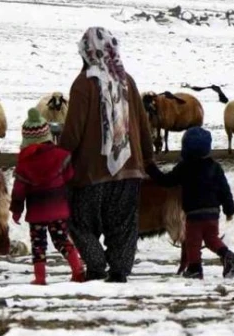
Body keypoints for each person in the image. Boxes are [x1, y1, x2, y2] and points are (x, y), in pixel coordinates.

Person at [59, 26, 155, 282]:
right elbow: (142, 124)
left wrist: (60, 158)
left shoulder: (83, 84)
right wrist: (148, 158)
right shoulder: (127, 81)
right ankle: (120, 271)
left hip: (91, 173)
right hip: (129, 169)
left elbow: (73, 131)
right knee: (123, 224)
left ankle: (96, 264)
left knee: (79, 221)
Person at [146, 126, 234, 279]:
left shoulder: (185, 167)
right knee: (211, 239)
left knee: (192, 242)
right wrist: (229, 210)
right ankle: (226, 254)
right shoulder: (215, 167)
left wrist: (151, 168)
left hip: (194, 214)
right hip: (212, 213)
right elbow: (225, 190)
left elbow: (167, 181)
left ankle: (195, 268)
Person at [10, 108, 85, 285]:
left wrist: (16, 210)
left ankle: (40, 278)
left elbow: (19, 190)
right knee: (61, 239)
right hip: (57, 207)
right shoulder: (60, 156)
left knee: (38, 244)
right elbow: (69, 176)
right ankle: (78, 269)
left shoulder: (24, 162)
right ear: (46, 134)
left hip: (37, 211)